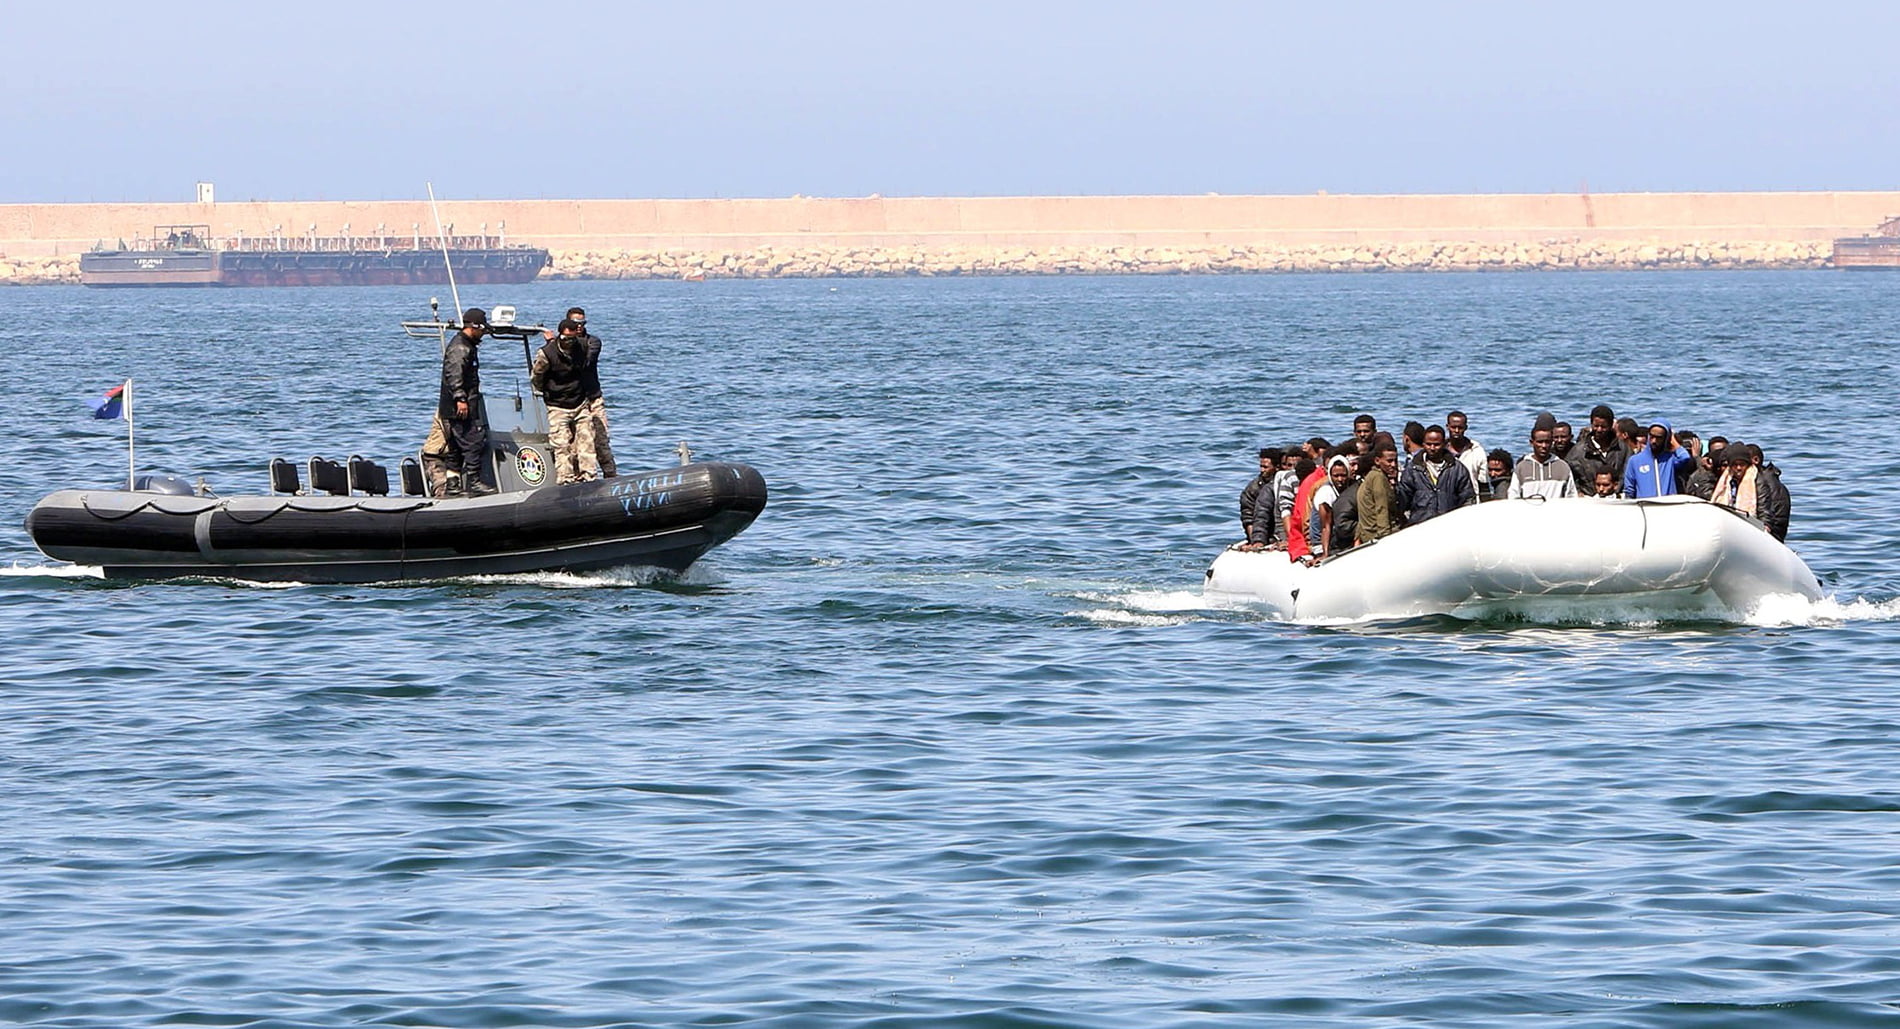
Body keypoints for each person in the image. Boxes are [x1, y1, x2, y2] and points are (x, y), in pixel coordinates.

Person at [532, 317, 601, 484]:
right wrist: (548, 392)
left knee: (587, 441)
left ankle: (589, 476)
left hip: (579, 401)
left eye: (572, 339)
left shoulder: (583, 347)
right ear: (559, 336)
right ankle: (565, 478)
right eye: (565, 339)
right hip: (557, 404)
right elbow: (537, 377)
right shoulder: (547, 353)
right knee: (561, 445)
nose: (569, 342)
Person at [438, 308, 495, 496]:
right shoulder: (460, 348)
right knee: (473, 442)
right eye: (482, 330)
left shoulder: (466, 345)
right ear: (473, 327)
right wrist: (461, 399)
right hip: (459, 407)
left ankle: (453, 485)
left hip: (454, 407)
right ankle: (475, 481)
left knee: (454, 447)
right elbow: (454, 375)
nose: (484, 334)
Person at [566, 307, 618, 478]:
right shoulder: (558, 346)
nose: (579, 326)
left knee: (601, 440)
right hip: (571, 401)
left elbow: (586, 361)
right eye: (575, 323)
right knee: (574, 444)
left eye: (582, 323)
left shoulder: (592, 342)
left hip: (592, 398)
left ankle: (610, 475)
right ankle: (576, 477)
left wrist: (568, 343)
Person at [1396, 425, 1475, 525]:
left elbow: (1467, 499)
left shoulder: (1457, 468)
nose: (1432, 448)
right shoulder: (1413, 469)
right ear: (1423, 444)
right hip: (1420, 525)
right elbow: (1403, 500)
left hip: (1449, 525)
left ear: (1444, 444)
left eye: (1436, 444)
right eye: (1428, 444)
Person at [1621, 420, 1694, 498]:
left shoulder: (1670, 459)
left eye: (1659, 438)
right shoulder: (1635, 460)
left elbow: (1685, 457)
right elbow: (1629, 489)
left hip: (1668, 505)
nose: (1654, 441)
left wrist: (1673, 440)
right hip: (1645, 506)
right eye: (1652, 436)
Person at [1568, 404, 1630, 493]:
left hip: (1617, 499)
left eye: (1603, 427)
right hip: (1589, 499)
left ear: (1611, 425)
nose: (1599, 430)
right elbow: (1570, 477)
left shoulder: (1623, 449)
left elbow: (1628, 475)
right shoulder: (1578, 451)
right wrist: (1578, 492)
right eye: (1596, 426)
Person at [1509, 426, 1577, 501]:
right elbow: (1513, 496)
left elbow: (1571, 496)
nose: (1544, 446)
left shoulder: (1563, 467)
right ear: (1532, 443)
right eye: (1540, 442)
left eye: (1547, 442)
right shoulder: (1521, 468)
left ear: (1552, 442)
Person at [1354, 442, 1402, 544]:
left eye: (1395, 461)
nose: (1393, 465)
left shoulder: (1371, 477)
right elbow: (1381, 509)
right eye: (1389, 461)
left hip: (1368, 534)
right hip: (1376, 535)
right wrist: (1384, 539)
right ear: (1377, 460)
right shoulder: (1378, 478)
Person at [1238, 448, 1281, 548]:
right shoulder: (1253, 488)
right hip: (1261, 531)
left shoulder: (1285, 483)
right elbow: (1248, 516)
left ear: (1277, 467)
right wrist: (1256, 541)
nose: (1262, 470)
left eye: (1266, 467)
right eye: (1261, 466)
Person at [1444, 410, 1487, 498]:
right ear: (1447, 427)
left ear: (1466, 428)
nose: (1456, 430)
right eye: (1453, 427)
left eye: (1460, 428)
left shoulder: (1476, 451)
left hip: (1470, 501)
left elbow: (1483, 483)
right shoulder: (1440, 450)